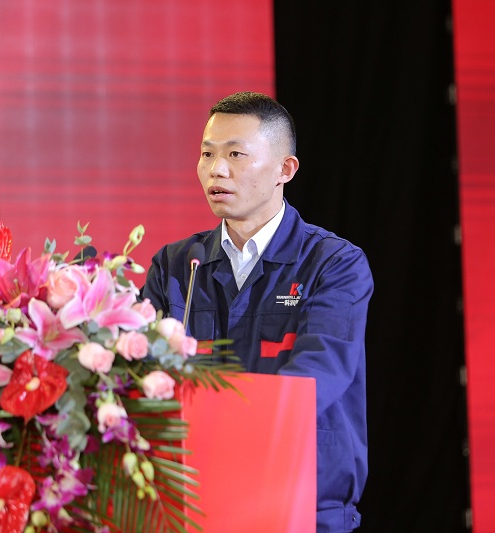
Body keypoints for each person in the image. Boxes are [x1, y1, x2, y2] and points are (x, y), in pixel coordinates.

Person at [141, 91, 373, 532]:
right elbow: (137, 371)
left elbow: (317, 375)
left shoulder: (333, 263)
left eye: (235, 154)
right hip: (193, 503)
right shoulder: (175, 265)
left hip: (302, 503)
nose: (216, 169)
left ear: (285, 169)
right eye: (207, 154)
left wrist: (227, 436)